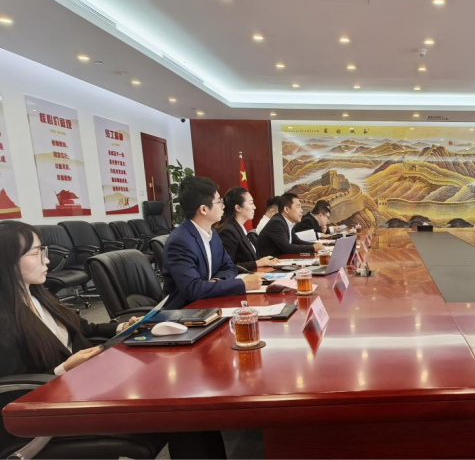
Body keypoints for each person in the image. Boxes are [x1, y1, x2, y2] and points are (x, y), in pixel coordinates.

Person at [0, 221, 226, 459]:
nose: (46, 260)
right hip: (57, 408)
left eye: (44, 251)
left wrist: (123, 326)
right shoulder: (5, 319)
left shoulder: (38, 296)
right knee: (184, 412)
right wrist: (63, 369)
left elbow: (85, 328)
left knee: (187, 397)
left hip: (88, 382)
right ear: (7, 260)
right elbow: (13, 390)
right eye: (36, 253)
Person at [163, 176, 261, 310]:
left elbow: (230, 267)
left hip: (211, 303)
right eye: (219, 201)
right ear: (204, 209)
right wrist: (241, 284)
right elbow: (193, 289)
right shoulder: (180, 241)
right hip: (184, 312)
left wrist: (214, 282)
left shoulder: (213, 234)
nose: (223, 206)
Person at [215, 187, 278, 272]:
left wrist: (265, 260)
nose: (254, 207)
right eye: (251, 203)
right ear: (238, 208)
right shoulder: (228, 231)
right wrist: (257, 263)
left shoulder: (240, 228)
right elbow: (227, 266)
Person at [256, 193, 324, 257]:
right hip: (269, 263)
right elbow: (287, 248)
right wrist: (313, 247)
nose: (302, 210)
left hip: (280, 260)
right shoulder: (277, 223)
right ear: (286, 209)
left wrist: (316, 245)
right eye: (298, 207)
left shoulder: (286, 222)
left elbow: (297, 242)